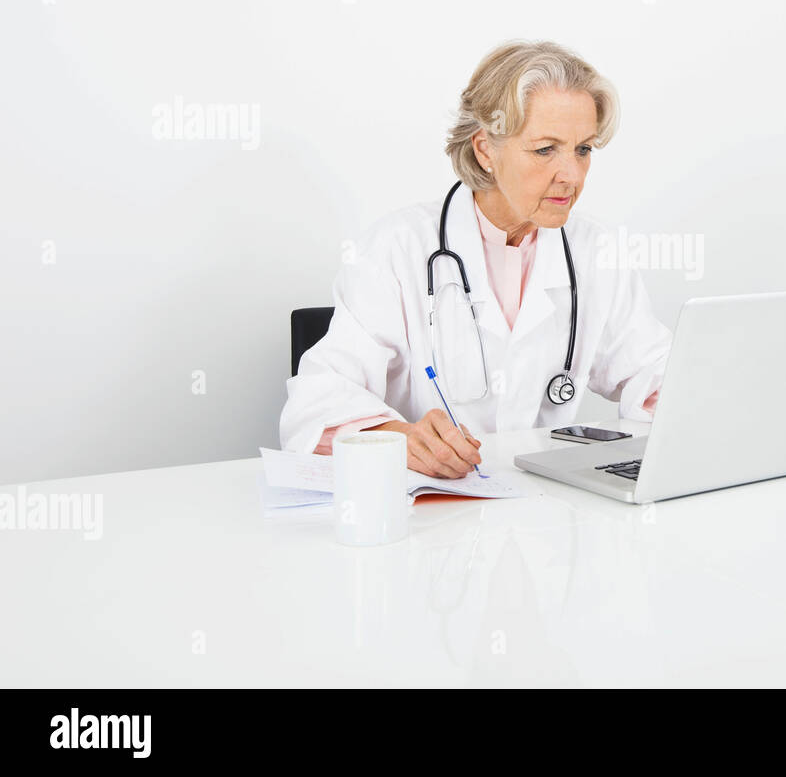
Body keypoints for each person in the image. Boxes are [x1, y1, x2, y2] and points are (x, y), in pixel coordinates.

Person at [279, 40, 673, 479]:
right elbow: (317, 401)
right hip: (430, 520)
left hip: (548, 516)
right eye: (546, 150)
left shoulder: (595, 251)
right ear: (485, 148)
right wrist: (396, 437)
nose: (573, 175)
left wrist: (708, 395)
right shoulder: (397, 248)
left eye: (583, 150)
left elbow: (657, 374)